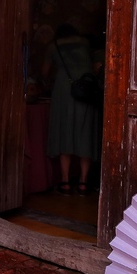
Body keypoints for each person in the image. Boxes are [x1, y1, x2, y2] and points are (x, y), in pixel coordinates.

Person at [43, 23, 101, 195]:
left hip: (64, 90)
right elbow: (95, 65)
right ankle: (83, 182)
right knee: (86, 134)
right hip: (86, 88)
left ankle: (65, 182)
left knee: (65, 132)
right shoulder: (84, 42)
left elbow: (44, 72)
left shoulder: (53, 46)